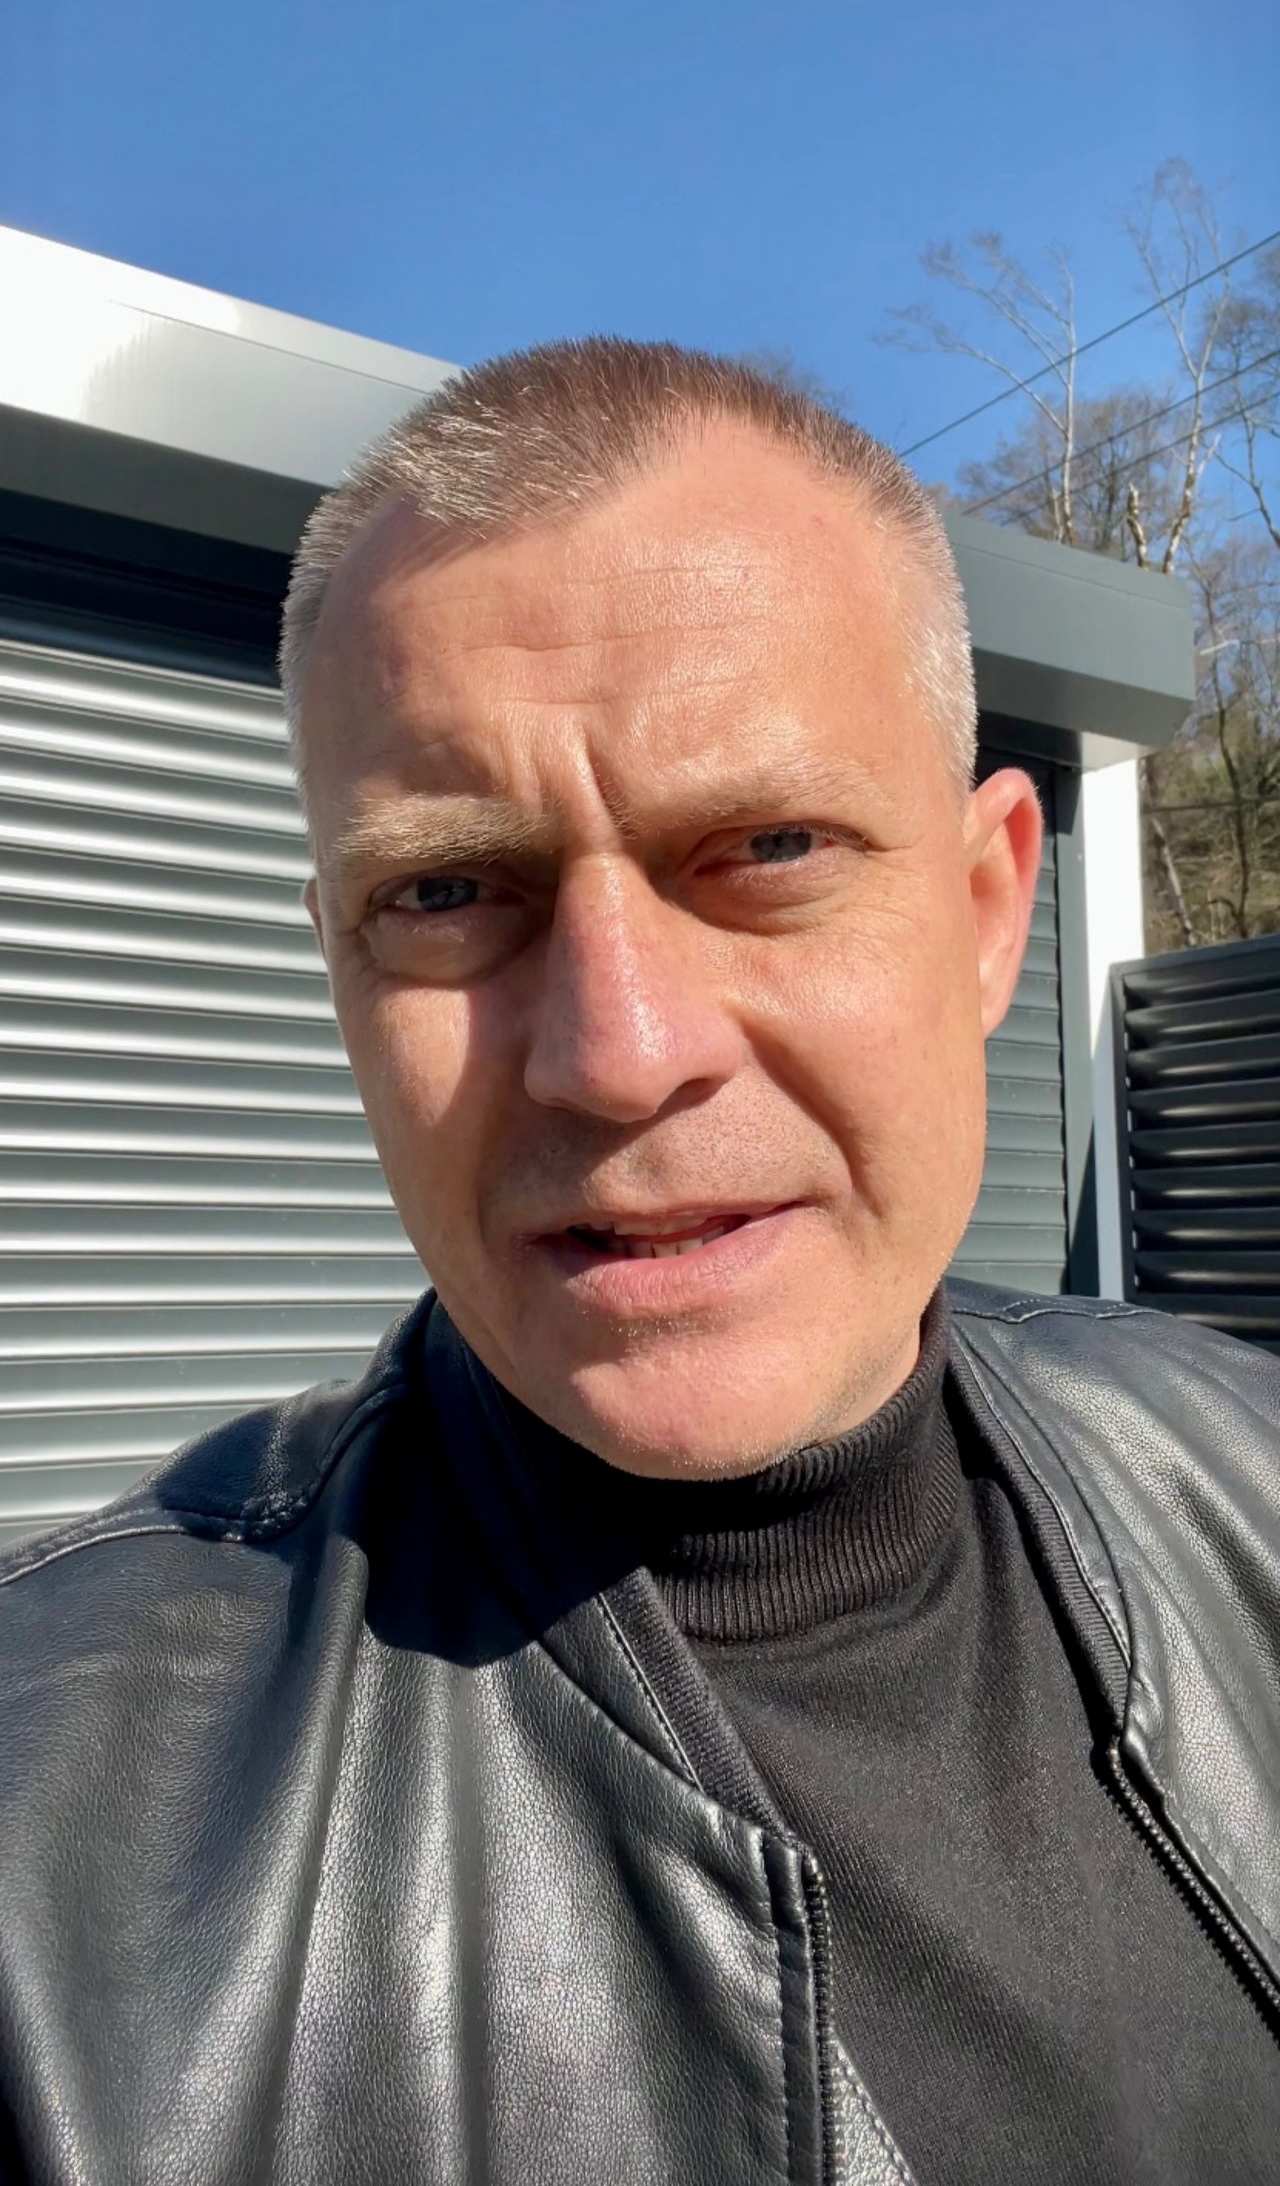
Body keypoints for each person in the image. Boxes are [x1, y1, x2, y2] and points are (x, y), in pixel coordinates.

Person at [0, 340, 1277, 2186]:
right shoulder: (46, 1866)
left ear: (989, 906)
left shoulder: (1249, 1465)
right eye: (448, 891)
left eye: (769, 846)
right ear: (345, 972)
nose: (615, 1052)